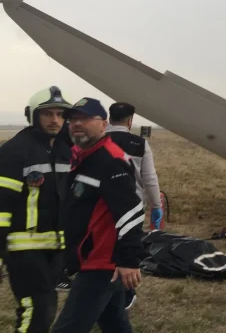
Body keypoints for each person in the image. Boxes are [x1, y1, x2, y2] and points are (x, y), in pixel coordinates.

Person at [51, 98, 147, 333]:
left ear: (104, 125)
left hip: (101, 262)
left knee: (68, 328)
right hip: (92, 259)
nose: (76, 124)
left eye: (85, 118)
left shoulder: (110, 160)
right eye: (73, 119)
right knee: (115, 324)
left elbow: (131, 211)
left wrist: (128, 260)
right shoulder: (84, 157)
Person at [0, 86, 73, 333]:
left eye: (61, 115)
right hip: (24, 248)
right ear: (33, 116)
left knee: (46, 306)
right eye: (48, 114)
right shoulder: (14, 151)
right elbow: (1, 205)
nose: (55, 120)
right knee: (38, 309)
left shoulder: (67, 151)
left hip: (56, 247)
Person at [106, 101, 163, 310]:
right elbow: (150, 178)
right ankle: (126, 293)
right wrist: (157, 205)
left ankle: (109, 288)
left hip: (103, 207)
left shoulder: (99, 140)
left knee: (106, 248)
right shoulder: (140, 144)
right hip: (133, 207)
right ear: (130, 121)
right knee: (128, 248)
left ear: (109, 118)